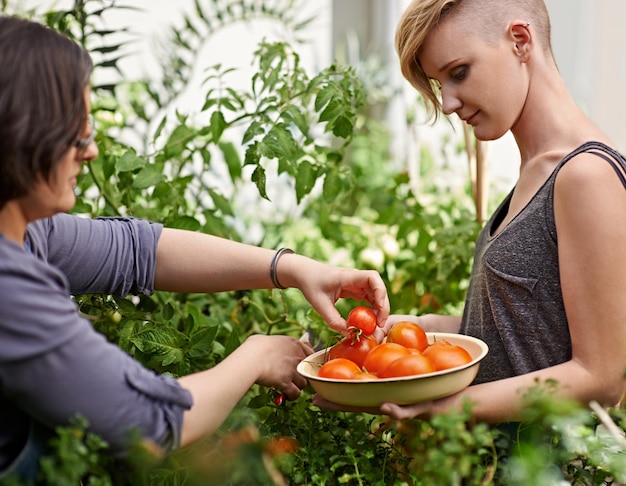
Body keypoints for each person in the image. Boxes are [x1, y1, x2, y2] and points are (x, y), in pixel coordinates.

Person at [0, 15, 391, 482]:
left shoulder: (28, 232)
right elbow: (144, 423)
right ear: (25, 135)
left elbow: (137, 251)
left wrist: (292, 268)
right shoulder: (9, 285)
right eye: (78, 133)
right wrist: (256, 356)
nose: (92, 152)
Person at [315, 0, 626, 429]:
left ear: (520, 41)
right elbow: (510, 337)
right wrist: (392, 335)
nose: (447, 104)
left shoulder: (585, 175)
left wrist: (445, 408)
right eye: (440, 84)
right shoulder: (535, 174)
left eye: (458, 72)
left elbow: (602, 377)